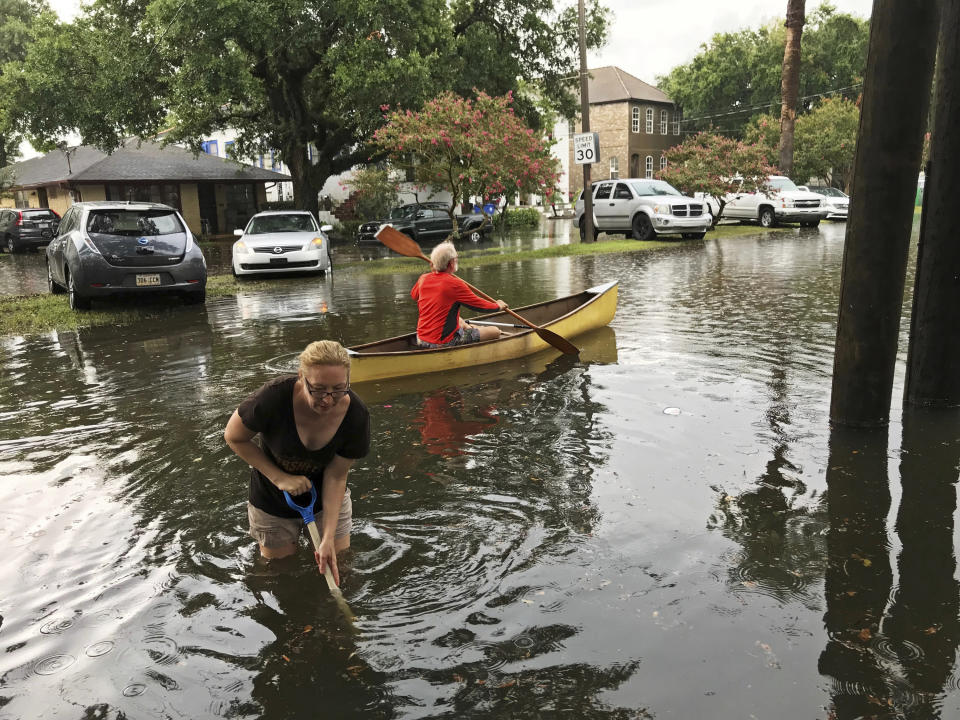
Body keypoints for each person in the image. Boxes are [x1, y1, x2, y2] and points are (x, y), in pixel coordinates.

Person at [223, 340, 369, 585]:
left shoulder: (357, 415)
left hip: (326, 500)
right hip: (272, 498)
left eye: (338, 389)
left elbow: (336, 476)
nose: (328, 399)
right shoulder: (272, 398)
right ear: (302, 377)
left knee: (339, 564)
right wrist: (280, 478)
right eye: (319, 389)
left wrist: (327, 538)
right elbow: (234, 437)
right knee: (280, 573)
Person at [411, 241, 508, 348]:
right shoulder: (455, 284)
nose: (457, 260)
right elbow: (479, 305)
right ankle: (474, 330)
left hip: (420, 339)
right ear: (451, 263)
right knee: (495, 331)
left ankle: (469, 328)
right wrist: (498, 306)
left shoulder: (423, 279)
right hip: (442, 342)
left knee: (460, 320)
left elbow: (414, 296)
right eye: (456, 258)